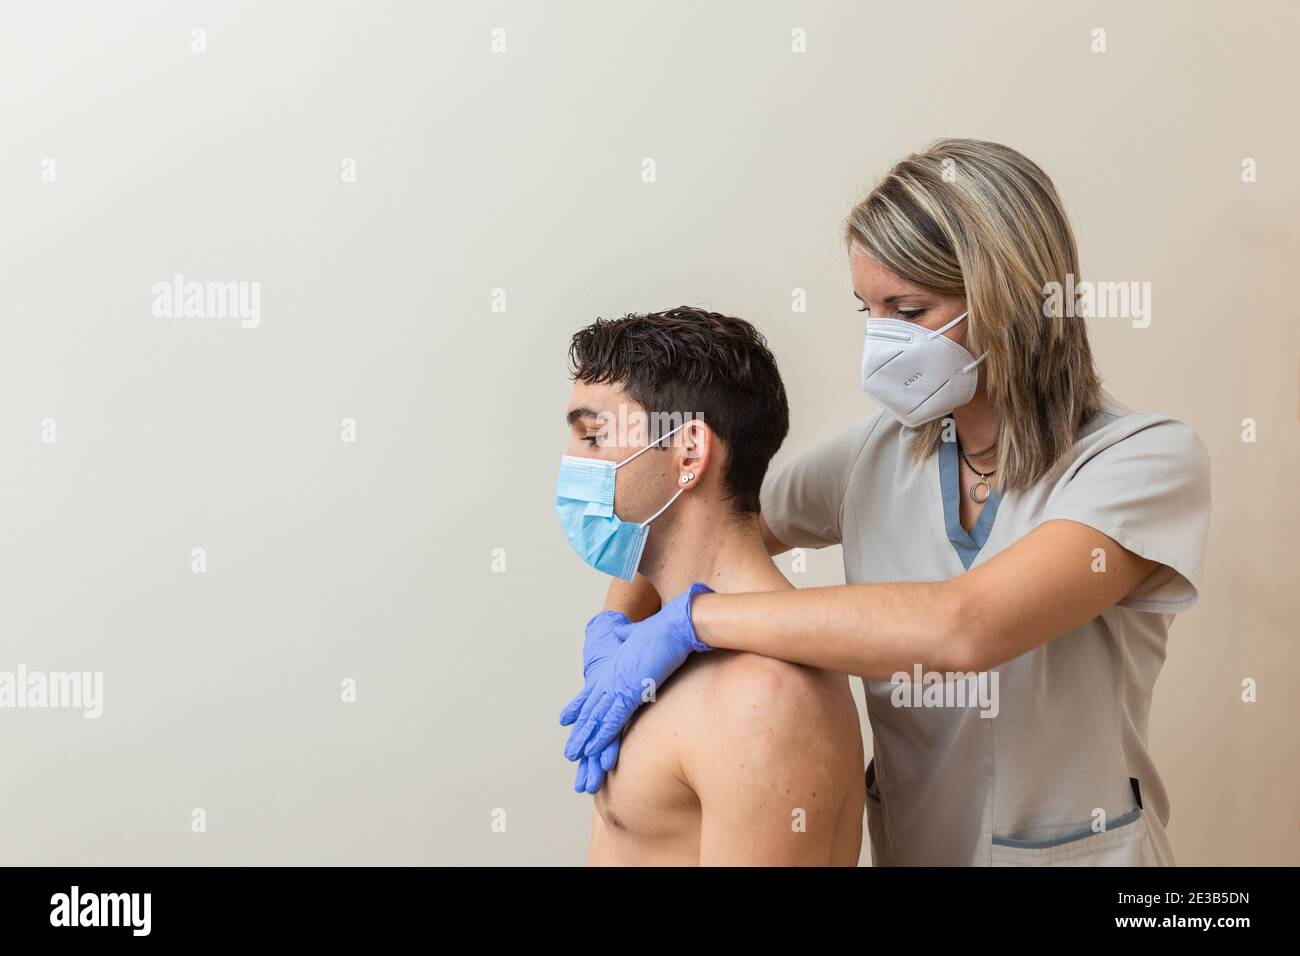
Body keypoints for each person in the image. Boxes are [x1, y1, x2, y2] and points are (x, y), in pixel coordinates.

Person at [563, 140, 1212, 866]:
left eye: (908, 309)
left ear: (1010, 301)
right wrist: (614, 629)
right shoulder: (879, 452)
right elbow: (698, 505)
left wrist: (691, 622)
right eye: (867, 309)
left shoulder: (1140, 460)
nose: (881, 339)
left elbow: (966, 627)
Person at [556, 308, 864, 865]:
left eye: (595, 437)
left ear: (689, 452)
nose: (571, 465)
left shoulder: (761, 699)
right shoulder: (650, 648)